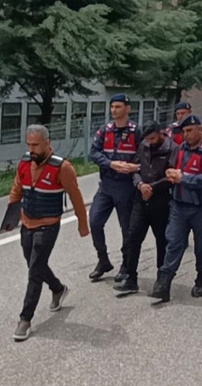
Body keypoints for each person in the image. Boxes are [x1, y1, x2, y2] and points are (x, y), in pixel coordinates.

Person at [8, 125, 90, 342]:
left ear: (47, 142)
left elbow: (76, 196)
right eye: (29, 145)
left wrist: (83, 224)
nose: (32, 149)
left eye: (35, 145)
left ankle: (25, 319)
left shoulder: (62, 168)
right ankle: (58, 288)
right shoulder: (25, 162)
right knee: (34, 264)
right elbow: (17, 189)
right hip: (27, 223)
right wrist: (11, 217)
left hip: (48, 225)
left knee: (34, 272)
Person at [148, 115, 202, 302]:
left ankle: (201, 278)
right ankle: (164, 283)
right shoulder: (180, 149)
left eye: (189, 131)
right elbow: (173, 168)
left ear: (199, 129)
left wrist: (183, 178)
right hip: (179, 205)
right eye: (183, 132)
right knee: (173, 242)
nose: (186, 135)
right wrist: (171, 175)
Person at [115, 123, 178, 295]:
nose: (149, 143)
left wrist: (152, 188)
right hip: (141, 199)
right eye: (146, 139)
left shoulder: (172, 148)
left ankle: (161, 281)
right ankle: (131, 278)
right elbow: (136, 168)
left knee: (162, 242)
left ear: (160, 134)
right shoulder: (143, 146)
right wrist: (140, 184)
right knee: (132, 238)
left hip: (160, 200)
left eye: (152, 138)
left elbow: (171, 175)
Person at [88, 94, 140, 282]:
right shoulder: (105, 130)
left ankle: (126, 265)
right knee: (94, 221)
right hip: (107, 185)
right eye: (112, 107)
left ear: (127, 108)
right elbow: (93, 152)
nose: (114, 110)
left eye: (118, 107)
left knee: (126, 228)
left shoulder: (136, 131)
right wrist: (110, 164)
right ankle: (103, 260)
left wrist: (135, 167)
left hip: (126, 186)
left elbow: (144, 156)